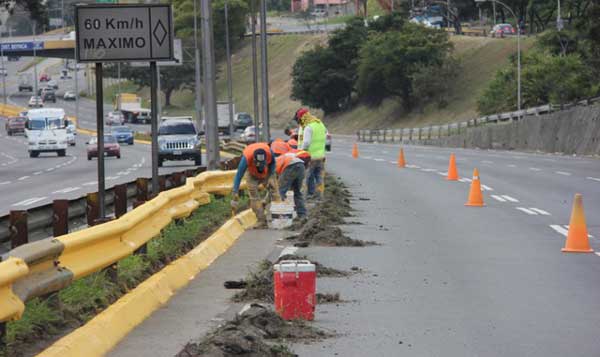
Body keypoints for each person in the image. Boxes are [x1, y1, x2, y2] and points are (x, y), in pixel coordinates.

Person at [231, 142, 281, 227]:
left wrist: (268, 178)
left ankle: (280, 217)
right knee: (254, 196)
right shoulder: (246, 158)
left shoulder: (269, 153)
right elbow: (239, 175)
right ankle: (261, 220)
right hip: (252, 173)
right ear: (254, 160)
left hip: (267, 172)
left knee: (275, 191)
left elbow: (272, 165)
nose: (260, 167)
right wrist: (235, 191)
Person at [293, 108, 327, 199]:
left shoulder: (308, 127)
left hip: (309, 157)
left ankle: (304, 196)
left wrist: (301, 152)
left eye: (300, 119)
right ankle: (320, 196)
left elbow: (306, 143)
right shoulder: (320, 124)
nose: (299, 121)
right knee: (319, 177)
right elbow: (325, 135)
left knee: (305, 177)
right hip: (321, 157)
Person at [276, 151, 311, 218]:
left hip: (290, 166)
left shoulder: (273, 165)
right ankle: (302, 215)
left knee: (281, 192)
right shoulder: (280, 158)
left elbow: (274, 185)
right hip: (301, 166)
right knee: (297, 192)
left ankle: (282, 216)